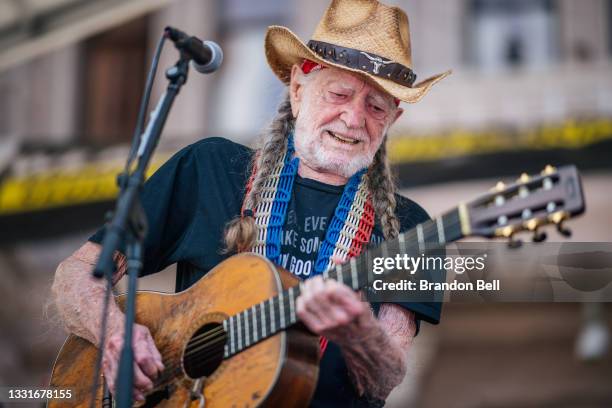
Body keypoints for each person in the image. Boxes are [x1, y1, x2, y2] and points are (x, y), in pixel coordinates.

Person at [52, 0, 450, 406]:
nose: (353, 117)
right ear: (298, 89)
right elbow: (78, 274)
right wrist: (117, 334)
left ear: (391, 121)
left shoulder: (411, 228)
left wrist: (358, 333)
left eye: (376, 106)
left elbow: (386, 378)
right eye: (339, 93)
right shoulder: (209, 167)